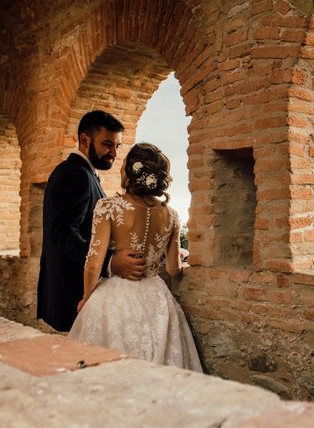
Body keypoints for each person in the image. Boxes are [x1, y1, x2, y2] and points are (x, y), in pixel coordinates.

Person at [68, 143, 202, 371]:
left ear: (131, 171)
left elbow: (93, 263)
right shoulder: (171, 214)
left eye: (123, 165)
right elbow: (173, 269)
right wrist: (173, 254)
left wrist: (85, 298)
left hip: (115, 295)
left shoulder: (108, 207)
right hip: (157, 297)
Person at [37, 110, 146, 333]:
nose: (113, 153)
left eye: (117, 146)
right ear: (85, 140)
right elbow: (64, 235)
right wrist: (110, 261)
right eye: (107, 144)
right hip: (72, 295)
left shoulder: (81, 172)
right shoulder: (75, 175)